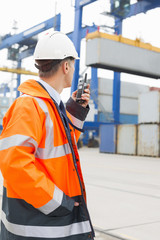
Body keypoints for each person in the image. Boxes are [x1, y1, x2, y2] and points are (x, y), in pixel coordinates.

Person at [0, 31, 95, 240]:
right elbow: (15, 165)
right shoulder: (29, 105)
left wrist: (75, 111)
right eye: (73, 62)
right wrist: (60, 203)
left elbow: (58, 148)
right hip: (39, 226)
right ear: (66, 66)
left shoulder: (50, 105)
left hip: (48, 223)